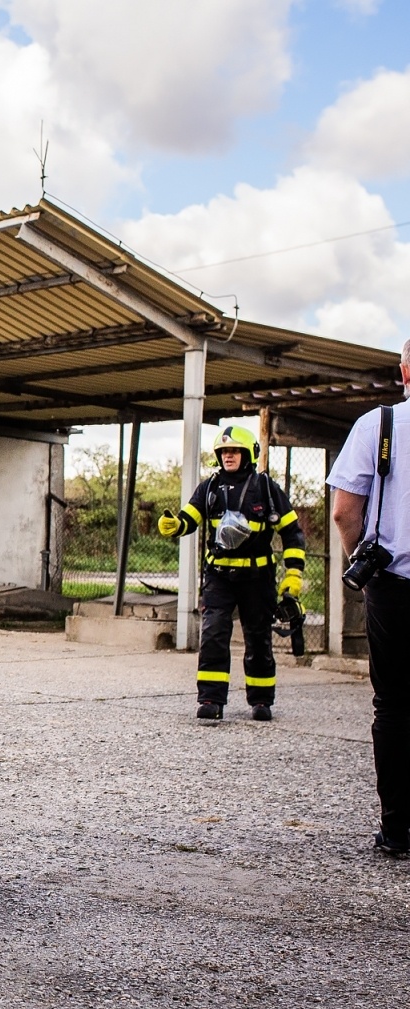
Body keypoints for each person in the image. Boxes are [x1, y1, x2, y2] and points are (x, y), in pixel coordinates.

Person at [158, 426, 307, 722]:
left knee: (259, 639)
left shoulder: (266, 489)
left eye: (234, 451)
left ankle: (262, 700)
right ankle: (211, 699)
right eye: (224, 451)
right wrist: (176, 525)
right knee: (213, 635)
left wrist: (293, 576)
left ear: (248, 454)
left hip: (258, 578)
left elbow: (292, 534)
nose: (228, 456)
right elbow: (190, 518)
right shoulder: (209, 488)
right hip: (220, 577)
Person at [327, 340, 410, 856]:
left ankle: (399, 829)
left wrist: (362, 558)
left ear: (404, 369)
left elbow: (342, 511)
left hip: (394, 587)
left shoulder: (378, 427)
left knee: (396, 705)